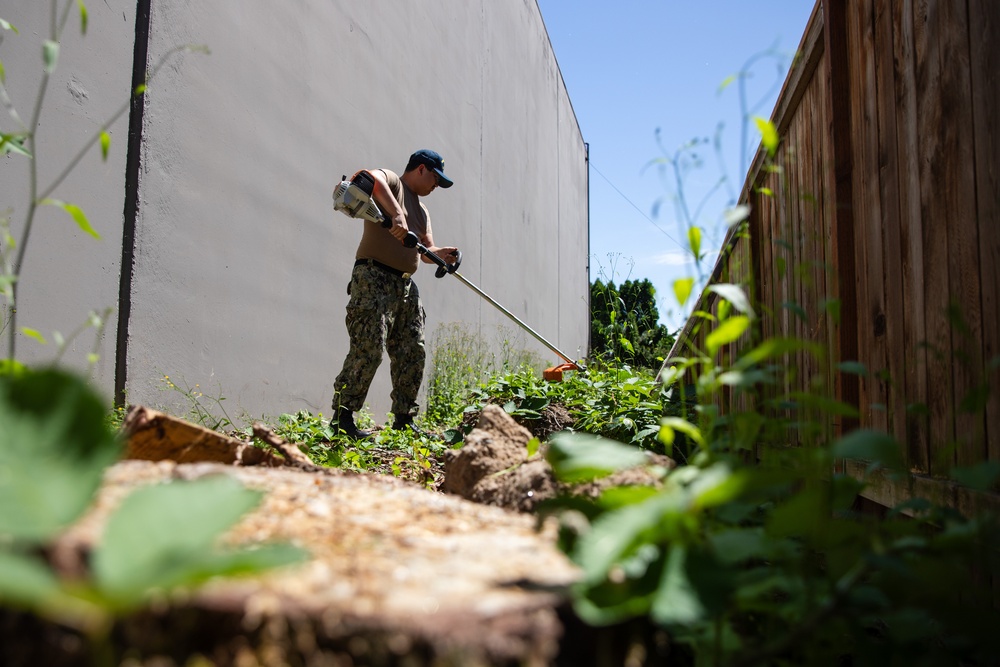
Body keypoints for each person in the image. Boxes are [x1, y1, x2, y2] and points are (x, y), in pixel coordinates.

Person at [331, 149, 458, 438]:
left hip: (405, 286)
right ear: (422, 169)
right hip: (373, 277)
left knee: (413, 350)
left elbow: (426, 252)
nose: (436, 186)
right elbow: (368, 176)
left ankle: (404, 419)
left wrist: (443, 254)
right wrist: (396, 213)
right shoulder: (393, 184)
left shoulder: (423, 211)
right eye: (436, 179)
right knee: (370, 348)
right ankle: (342, 418)